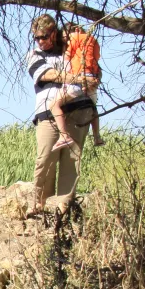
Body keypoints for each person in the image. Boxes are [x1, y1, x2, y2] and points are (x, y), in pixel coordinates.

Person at [27, 14, 98, 215]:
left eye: (44, 36)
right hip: (48, 112)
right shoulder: (35, 54)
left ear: (54, 33)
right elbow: (46, 74)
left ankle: (64, 207)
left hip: (78, 109)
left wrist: (90, 76)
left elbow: (92, 68)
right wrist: (78, 78)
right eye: (37, 37)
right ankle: (38, 204)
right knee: (45, 157)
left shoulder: (71, 49)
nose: (41, 41)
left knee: (72, 160)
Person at [51, 22, 105, 150]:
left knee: (54, 105)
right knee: (93, 107)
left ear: (74, 31)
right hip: (92, 77)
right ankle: (97, 136)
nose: (65, 42)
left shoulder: (74, 40)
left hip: (78, 80)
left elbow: (67, 59)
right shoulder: (93, 41)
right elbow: (96, 59)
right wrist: (96, 78)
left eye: (66, 38)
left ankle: (63, 135)